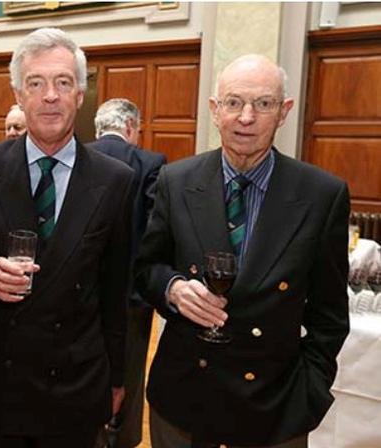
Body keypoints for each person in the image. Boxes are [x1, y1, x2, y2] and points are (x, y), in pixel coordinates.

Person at [136, 54, 350, 448]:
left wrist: (309, 388)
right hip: (183, 402)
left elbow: (330, 315)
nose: (246, 117)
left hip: (273, 410)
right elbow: (146, 268)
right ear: (215, 111)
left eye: (263, 103)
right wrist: (173, 288)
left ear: (283, 112)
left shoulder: (322, 195)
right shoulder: (176, 180)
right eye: (233, 102)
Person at [0, 27, 135, 448]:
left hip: (76, 391)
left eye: (63, 83)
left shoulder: (115, 181)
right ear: (18, 94)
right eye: (36, 83)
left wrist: (117, 378)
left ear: (80, 95)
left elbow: (117, 291)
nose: (50, 96)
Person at [86, 98, 166, 448]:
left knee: (83, 367)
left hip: (80, 293)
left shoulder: (76, 155)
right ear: (132, 128)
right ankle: (123, 437)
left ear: (98, 126)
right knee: (129, 374)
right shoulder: (151, 163)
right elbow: (154, 233)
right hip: (131, 295)